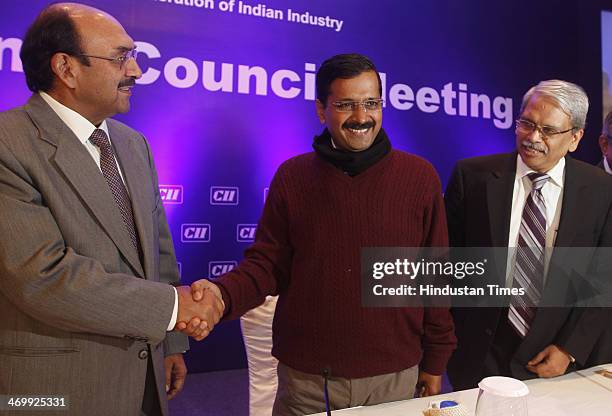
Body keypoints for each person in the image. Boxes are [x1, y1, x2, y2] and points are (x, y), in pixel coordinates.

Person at [186, 53, 456, 415]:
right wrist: (221, 295)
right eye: (346, 105)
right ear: (320, 110)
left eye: (371, 103)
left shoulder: (420, 177)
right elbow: (267, 265)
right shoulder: (292, 178)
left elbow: (434, 275)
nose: (362, 118)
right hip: (308, 381)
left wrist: (436, 360)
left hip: (395, 376)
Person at [0, 3, 223, 416]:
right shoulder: (8, 144)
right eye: (121, 57)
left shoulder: (132, 143)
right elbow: (41, 275)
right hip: (54, 391)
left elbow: (158, 255)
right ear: (66, 68)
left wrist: (171, 340)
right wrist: (174, 309)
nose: (136, 70)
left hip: (142, 378)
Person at [444, 80, 612, 390]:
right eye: (526, 123)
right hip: (477, 357)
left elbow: (604, 280)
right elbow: (448, 265)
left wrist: (570, 348)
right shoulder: (472, 177)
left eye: (548, 130)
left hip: (555, 360)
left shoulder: (602, 190)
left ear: (575, 138)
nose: (533, 138)